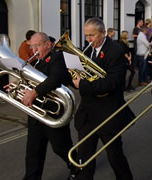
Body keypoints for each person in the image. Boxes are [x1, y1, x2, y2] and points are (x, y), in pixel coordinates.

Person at [71, 17, 135, 180]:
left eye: (92, 35)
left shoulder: (115, 51)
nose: (88, 40)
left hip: (108, 114)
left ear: (103, 32)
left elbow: (113, 82)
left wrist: (82, 85)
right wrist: (73, 76)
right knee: (84, 160)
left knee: (115, 158)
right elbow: (83, 77)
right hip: (87, 115)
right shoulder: (89, 49)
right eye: (86, 36)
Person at [20, 32, 76, 180]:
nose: (34, 50)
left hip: (53, 113)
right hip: (36, 113)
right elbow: (31, 82)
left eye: (37, 46)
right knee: (33, 151)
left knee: (61, 147)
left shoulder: (57, 58)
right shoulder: (36, 62)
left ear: (48, 44)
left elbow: (55, 79)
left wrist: (34, 93)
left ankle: (77, 166)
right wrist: (18, 84)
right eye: (32, 47)